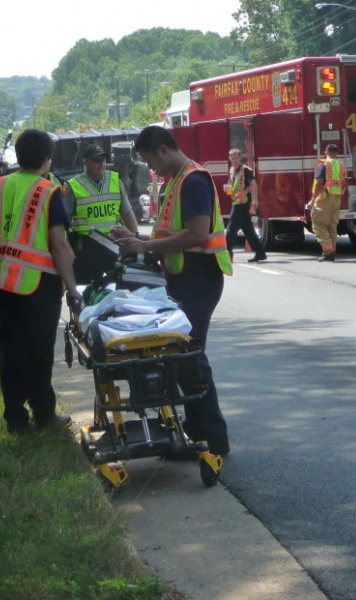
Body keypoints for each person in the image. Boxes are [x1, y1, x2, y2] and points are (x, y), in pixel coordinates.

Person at [115, 125, 231, 458]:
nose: (152, 168)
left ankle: (214, 441)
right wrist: (136, 239)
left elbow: (195, 234)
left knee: (190, 357)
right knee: (180, 359)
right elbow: (171, 232)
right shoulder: (177, 181)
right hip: (183, 279)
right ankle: (195, 433)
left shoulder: (193, 180)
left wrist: (145, 245)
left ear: (163, 150)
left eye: (151, 160)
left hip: (200, 280)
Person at [0, 129, 81, 434]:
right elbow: (59, 244)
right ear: (47, 160)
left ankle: (15, 419)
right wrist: (73, 288)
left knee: (10, 350)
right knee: (39, 352)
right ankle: (44, 416)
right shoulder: (48, 191)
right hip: (38, 285)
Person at [65, 144, 139, 283]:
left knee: (118, 286)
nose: (101, 164)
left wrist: (136, 239)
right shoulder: (73, 186)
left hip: (113, 243)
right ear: (86, 163)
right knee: (86, 290)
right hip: (86, 248)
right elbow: (64, 223)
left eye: (103, 160)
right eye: (96, 160)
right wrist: (67, 249)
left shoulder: (115, 181)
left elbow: (127, 213)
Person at [224, 147, 266, 263]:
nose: (234, 160)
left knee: (231, 229)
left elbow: (254, 184)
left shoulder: (246, 170)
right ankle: (260, 253)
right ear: (229, 158)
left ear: (240, 158)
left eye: (236, 158)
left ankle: (228, 254)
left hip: (243, 203)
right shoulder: (232, 169)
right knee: (248, 230)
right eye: (232, 158)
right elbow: (232, 183)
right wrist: (227, 187)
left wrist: (255, 200)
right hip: (236, 202)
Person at [310, 144, 346, 262]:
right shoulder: (340, 165)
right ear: (337, 153)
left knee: (319, 225)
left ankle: (328, 251)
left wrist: (313, 199)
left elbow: (320, 182)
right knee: (332, 226)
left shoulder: (324, 164)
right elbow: (344, 183)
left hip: (324, 198)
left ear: (326, 152)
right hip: (336, 198)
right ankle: (332, 251)